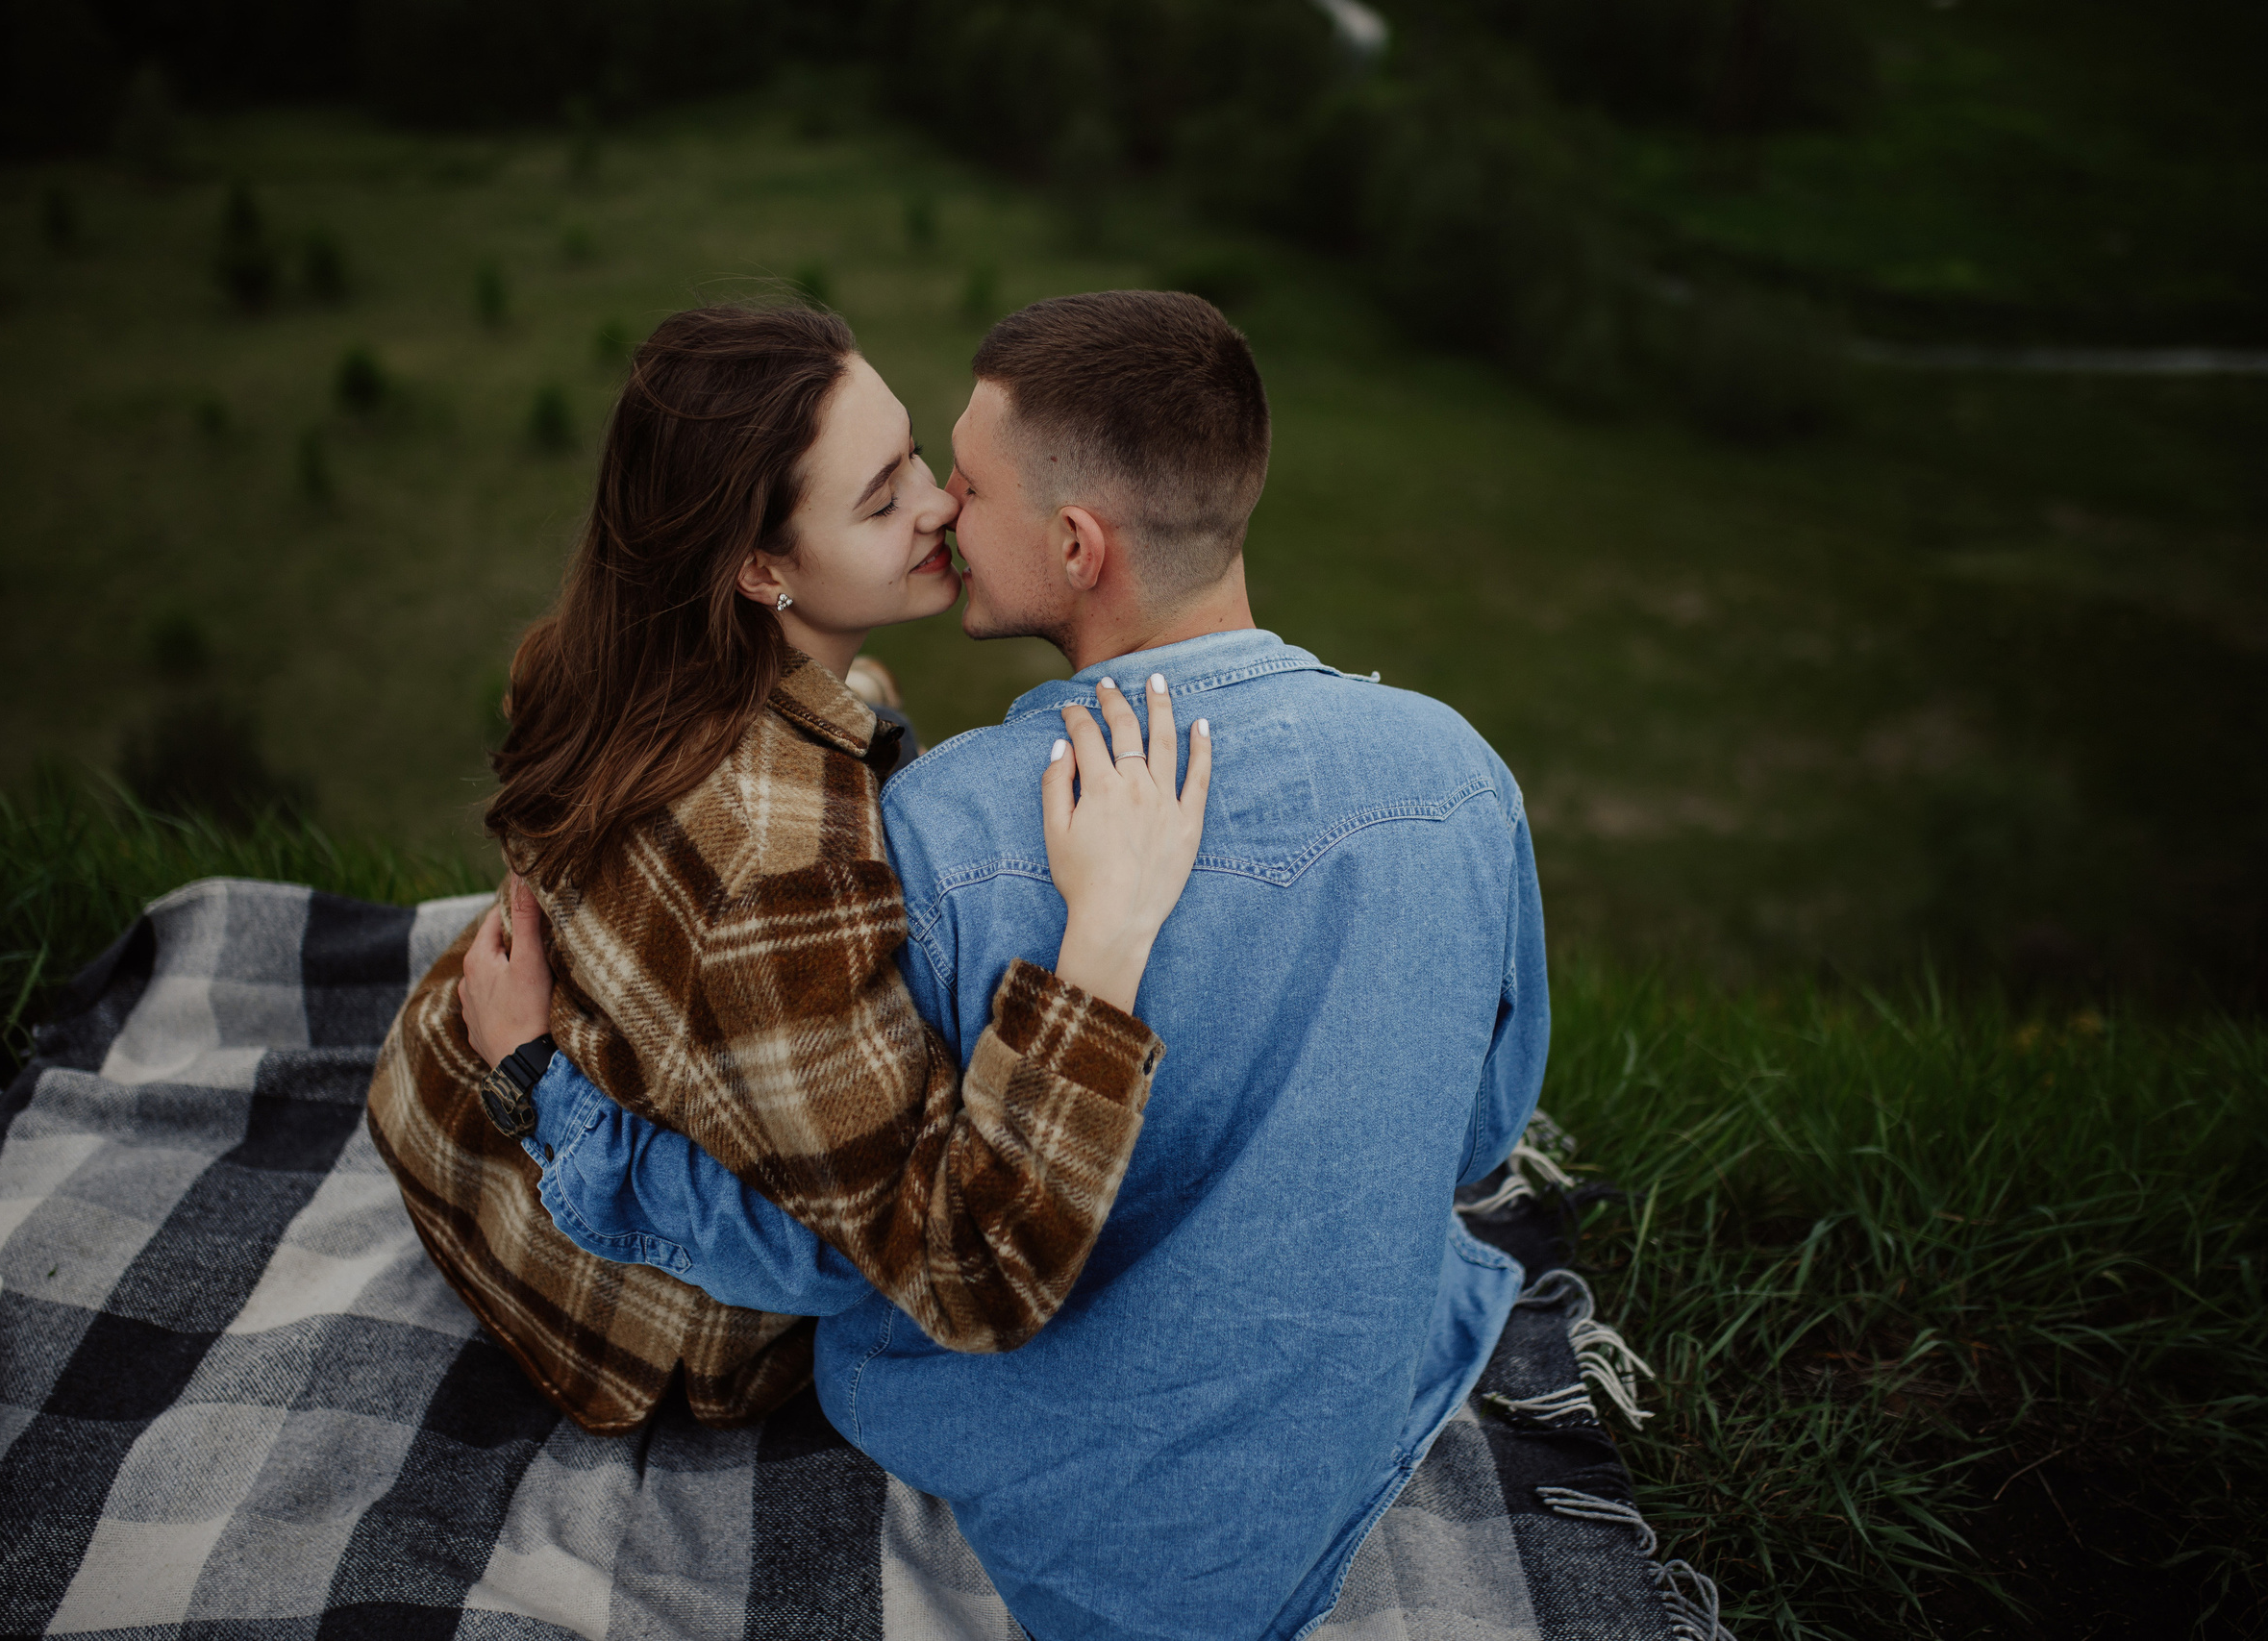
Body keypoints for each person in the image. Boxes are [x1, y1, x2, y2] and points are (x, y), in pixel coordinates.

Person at [467, 290, 1552, 1639]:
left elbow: (834, 1254)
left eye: (959, 479)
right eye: (905, 485)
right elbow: (1481, 1124)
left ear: (1077, 544)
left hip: (1082, 1503)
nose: (937, 508)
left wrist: (554, 1100)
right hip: (1347, 1428)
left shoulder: (920, 848)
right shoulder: (1458, 772)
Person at [366, 302, 1212, 1435]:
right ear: (761, 567)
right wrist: (1107, 931)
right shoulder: (779, 873)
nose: (938, 501)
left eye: (909, 449)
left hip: (436, 1108)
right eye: (879, 500)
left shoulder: (618, 652)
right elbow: (963, 1269)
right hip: (601, 1304)